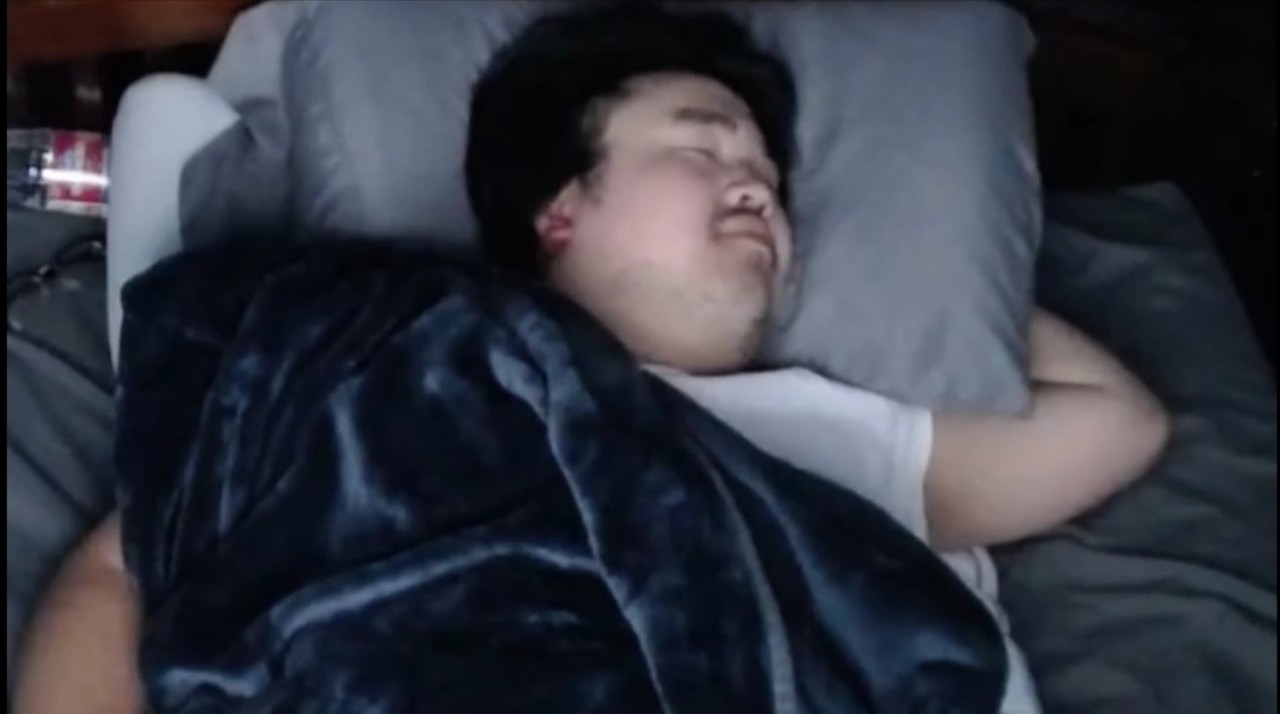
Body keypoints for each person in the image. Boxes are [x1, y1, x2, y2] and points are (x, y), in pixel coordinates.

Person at [12, 5, 1170, 713]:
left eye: (768, 173)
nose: (754, 183)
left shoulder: (832, 431)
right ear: (558, 207)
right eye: (701, 145)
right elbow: (128, 572)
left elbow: (1116, 427)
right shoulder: (385, 354)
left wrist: (928, 258)